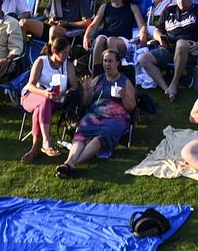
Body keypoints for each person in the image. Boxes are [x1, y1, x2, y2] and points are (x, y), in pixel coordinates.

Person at [55, 47, 138, 178]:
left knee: (102, 136)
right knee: (81, 132)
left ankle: (70, 164)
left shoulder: (125, 82)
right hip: (94, 114)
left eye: (110, 61)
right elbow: (85, 103)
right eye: (105, 61)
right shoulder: (98, 79)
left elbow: (131, 107)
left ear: (117, 63)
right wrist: (87, 90)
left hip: (116, 117)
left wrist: (123, 96)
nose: (107, 64)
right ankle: (69, 163)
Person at [138, 0, 198, 102]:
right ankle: (166, 89)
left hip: (190, 50)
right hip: (168, 48)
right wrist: (160, 38)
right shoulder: (169, 11)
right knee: (144, 59)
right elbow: (157, 30)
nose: (181, 2)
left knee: (181, 44)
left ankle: (174, 83)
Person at [19, 37, 75, 163]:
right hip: (32, 96)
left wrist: (65, 93)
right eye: (65, 52)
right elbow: (31, 85)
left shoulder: (68, 65)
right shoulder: (41, 62)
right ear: (55, 50)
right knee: (43, 101)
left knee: (41, 108)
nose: (68, 55)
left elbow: (75, 86)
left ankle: (35, 149)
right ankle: (46, 140)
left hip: (54, 101)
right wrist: (44, 93)